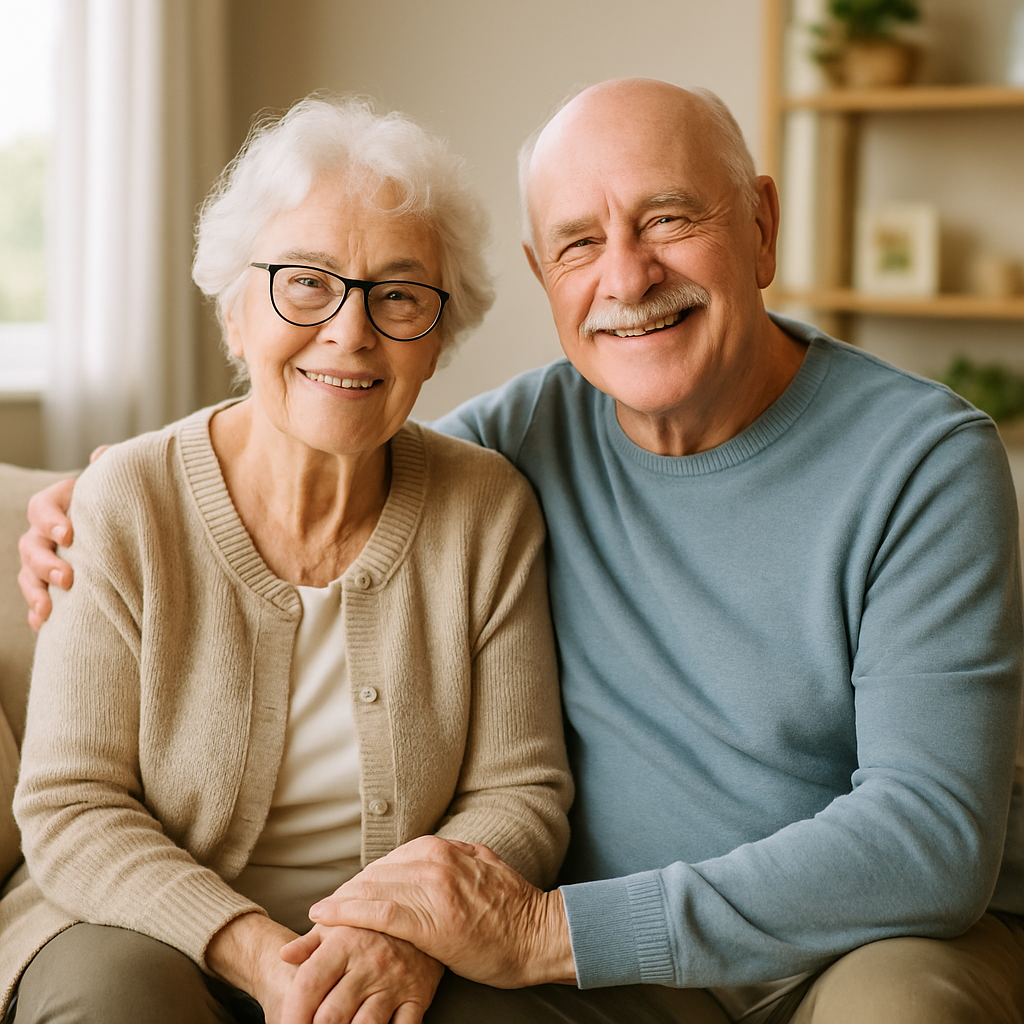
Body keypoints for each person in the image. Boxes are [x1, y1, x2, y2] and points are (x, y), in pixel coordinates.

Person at [19, 78, 1024, 1023]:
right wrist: (89, 497)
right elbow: (335, 443)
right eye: (581, 242)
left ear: (761, 227)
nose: (627, 276)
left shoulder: (924, 463)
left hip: (848, 940)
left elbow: (929, 837)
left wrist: (545, 930)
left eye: (669, 218)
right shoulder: (512, 446)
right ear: (546, 274)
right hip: (607, 970)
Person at [3, 95, 572, 1024]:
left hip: (401, 955)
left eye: (399, 295)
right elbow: (72, 804)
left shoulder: (487, 509)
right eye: (306, 282)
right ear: (236, 316)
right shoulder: (127, 502)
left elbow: (522, 793)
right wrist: (267, 959)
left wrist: (398, 935)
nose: (350, 331)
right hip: (132, 928)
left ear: (437, 340)